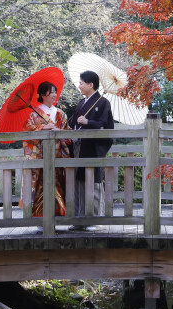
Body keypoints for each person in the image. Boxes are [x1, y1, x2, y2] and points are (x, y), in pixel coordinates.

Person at [67, 71, 114, 229]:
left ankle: (94, 219)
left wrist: (88, 121)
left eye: (81, 83)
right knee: (79, 182)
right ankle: (79, 220)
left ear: (90, 84)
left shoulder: (103, 103)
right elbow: (72, 122)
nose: (79, 86)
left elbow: (105, 125)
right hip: (79, 147)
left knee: (92, 181)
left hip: (93, 147)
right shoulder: (81, 103)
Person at [22, 81, 71, 218]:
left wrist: (59, 131)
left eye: (55, 92)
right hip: (40, 157)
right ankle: (40, 216)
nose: (54, 95)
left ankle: (59, 214)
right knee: (40, 186)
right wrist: (42, 128)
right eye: (51, 92)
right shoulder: (34, 114)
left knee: (59, 184)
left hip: (58, 156)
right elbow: (27, 132)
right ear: (43, 94)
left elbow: (68, 134)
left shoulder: (60, 113)